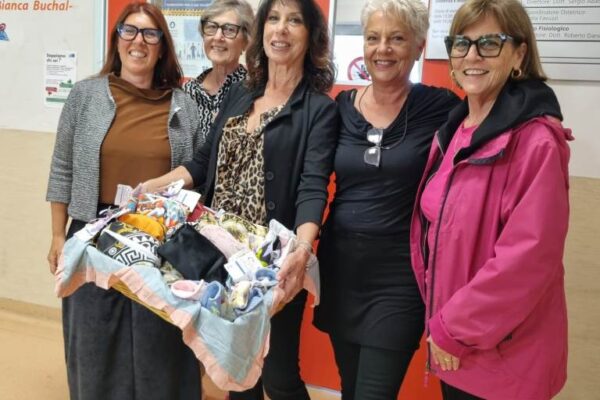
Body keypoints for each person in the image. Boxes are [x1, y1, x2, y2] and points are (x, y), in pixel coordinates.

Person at [143, 0, 338, 398]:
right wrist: (155, 185)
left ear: (311, 36)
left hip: (270, 262)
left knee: (280, 374)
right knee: (236, 367)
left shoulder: (319, 110)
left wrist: (303, 249)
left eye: (294, 21)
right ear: (261, 31)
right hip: (219, 250)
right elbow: (203, 162)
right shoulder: (242, 92)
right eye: (274, 19)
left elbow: (312, 186)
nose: (281, 29)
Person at [409, 0, 573, 399]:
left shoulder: (535, 142)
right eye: (461, 43)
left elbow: (526, 260)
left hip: (502, 356)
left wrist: (452, 329)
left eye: (489, 43)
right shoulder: (455, 131)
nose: (471, 56)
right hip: (455, 346)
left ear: (519, 54)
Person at [45, 3, 204, 399]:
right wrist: (57, 236)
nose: (139, 41)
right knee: (94, 343)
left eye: (150, 34)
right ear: (116, 40)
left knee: (160, 345)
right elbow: (62, 168)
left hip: (159, 238)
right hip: (93, 234)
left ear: (162, 47)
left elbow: (197, 177)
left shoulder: (184, 106)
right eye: (129, 31)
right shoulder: (85, 95)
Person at [312, 1, 460, 399]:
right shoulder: (342, 108)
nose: (383, 49)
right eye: (373, 38)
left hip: (399, 277)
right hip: (341, 270)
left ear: (418, 47)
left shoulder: (440, 107)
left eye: (397, 38)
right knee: (350, 388)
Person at [183, 0, 254, 142]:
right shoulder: (188, 91)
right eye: (212, 27)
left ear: (245, 41)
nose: (217, 37)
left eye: (229, 30)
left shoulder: (254, 90)